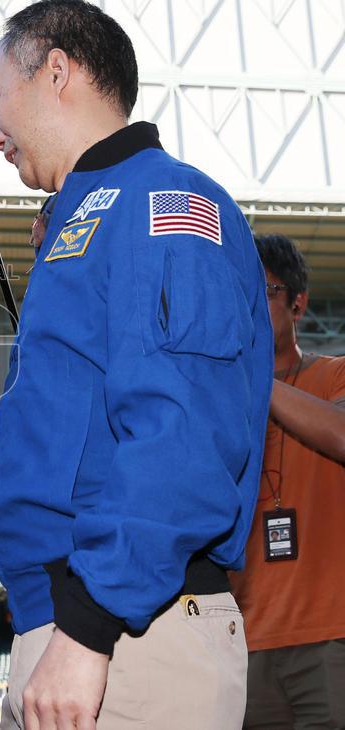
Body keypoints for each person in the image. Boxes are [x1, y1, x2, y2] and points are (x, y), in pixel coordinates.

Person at [0, 0, 273, 730]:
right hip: (79, 630)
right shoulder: (83, 218)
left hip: (125, 635)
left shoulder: (165, 201)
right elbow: (42, 473)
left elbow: (183, 443)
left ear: (58, 73)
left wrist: (91, 626)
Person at [230, 234, 345, 729]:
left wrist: (255, 380)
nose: (251, 307)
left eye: (266, 291)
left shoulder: (334, 375)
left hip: (331, 637)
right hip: (243, 642)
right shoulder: (222, 402)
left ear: (298, 303)